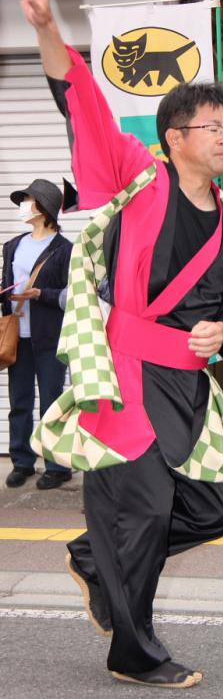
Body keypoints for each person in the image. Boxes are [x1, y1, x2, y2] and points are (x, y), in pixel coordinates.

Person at [2, 0, 223, 689]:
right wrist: (46, 27)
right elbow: (82, 99)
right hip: (123, 375)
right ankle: (133, 648)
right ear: (175, 137)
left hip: (186, 383)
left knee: (215, 510)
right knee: (147, 509)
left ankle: (95, 557)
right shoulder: (137, 178)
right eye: (212, 127)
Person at [1, 179, 72, 490]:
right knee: (19, 400)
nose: (23, 205)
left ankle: (57, 466)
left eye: (28, 199)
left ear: (44, 208)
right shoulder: (12, 246)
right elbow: (9, 285)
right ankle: (22, 461)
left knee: (52, 402)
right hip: (19, 335)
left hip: (51, 337)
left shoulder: (65, 249)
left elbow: (72, 295)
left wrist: (40, 294)